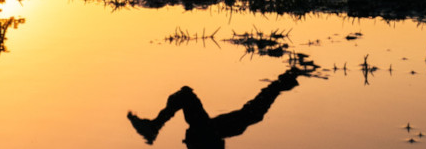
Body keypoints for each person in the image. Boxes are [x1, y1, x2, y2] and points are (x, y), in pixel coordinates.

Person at [126, 67, 302, 148]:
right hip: (206, 136)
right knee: (251, 115)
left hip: (206, 136)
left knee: (250, 115)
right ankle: (154, 126)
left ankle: (155, 126)